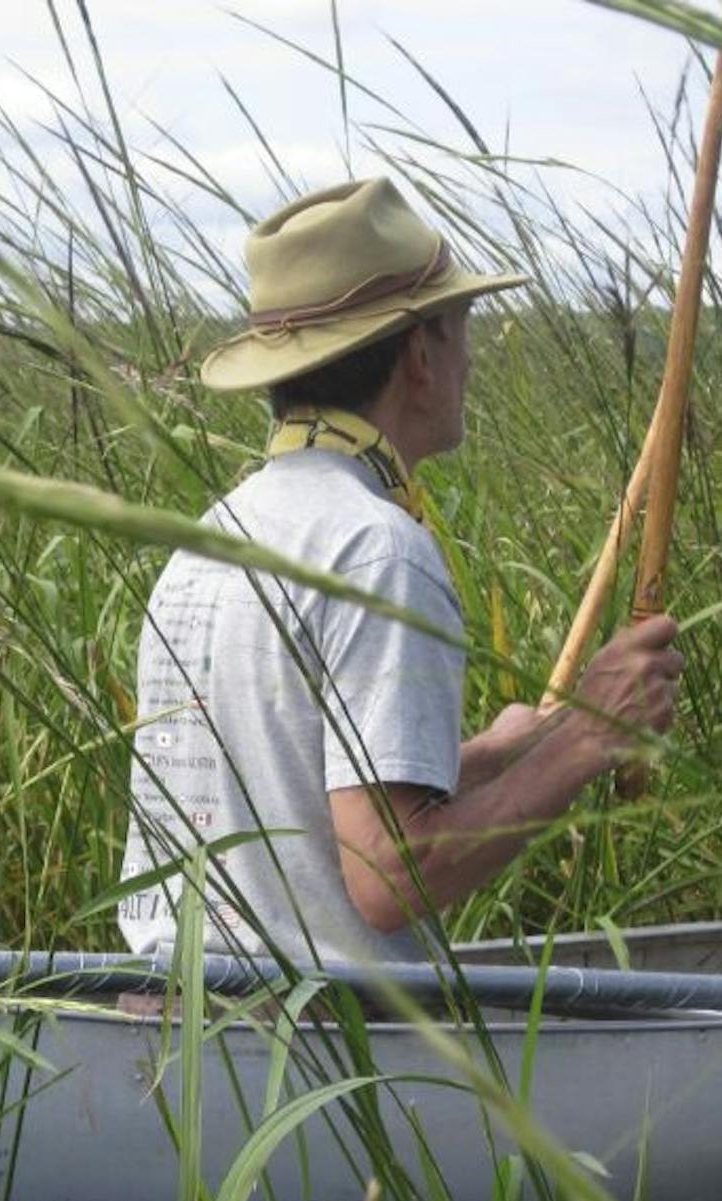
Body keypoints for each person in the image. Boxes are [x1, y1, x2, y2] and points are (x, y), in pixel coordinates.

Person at [117, 178, 685, 965]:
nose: (470, 362)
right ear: (420, 355)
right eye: (460, 330)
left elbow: (306, 796)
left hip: (178, 1019)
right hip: (324, 1031)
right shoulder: (377, 549)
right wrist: (589, 737)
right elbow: (388, 875)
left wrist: (495, 754)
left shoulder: (213, 536)